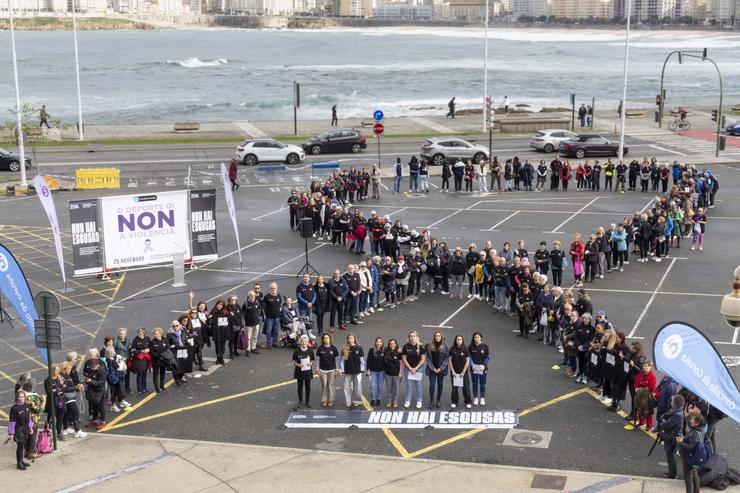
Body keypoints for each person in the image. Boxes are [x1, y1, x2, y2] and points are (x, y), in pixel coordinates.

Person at [677, 413, 707, 493]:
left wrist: (680, 442)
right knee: (694, 475)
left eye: (692, 419)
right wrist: (684, 439)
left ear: (697, 423)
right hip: (695, 458)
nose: (690, 420)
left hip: (689, 458)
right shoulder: (701, 430)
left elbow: (690, 448)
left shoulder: (694, 433)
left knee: (688, 479)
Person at [658, 394, 685, 480]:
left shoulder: (677, 415)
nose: (671, 402)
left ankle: (672, 474)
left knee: (670, 456)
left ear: (676, 404)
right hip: (672, 436)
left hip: (673, 439)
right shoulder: (676, 411)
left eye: (672, 401)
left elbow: (667, 424)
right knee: (669, 455)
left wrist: (662, 422)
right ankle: (671, 472)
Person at [8, 390, 33, 470]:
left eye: (23, 397)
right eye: (20, 397)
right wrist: (11, 433)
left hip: (25, 429)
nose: (21, 398)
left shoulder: (26, 406)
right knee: (20, 446)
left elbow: (28, 418)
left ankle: (21, 460)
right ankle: (19, 463)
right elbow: (12, 421)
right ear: (17, 398)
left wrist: (30, 427)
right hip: (19, 429)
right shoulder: (14, 409)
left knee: (22, 446)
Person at [339, 333, 364, 410]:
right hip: (347, 372)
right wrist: (342, 370)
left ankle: (357, 401)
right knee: (347, 388)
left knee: (358, 387)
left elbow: (362, 360)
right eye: (349, 338)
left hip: (357, 371)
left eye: (352, 338)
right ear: (347, 339)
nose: (350, 340)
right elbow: (342, 361)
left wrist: (362, 369)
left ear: (354, 339)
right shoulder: (345, 348)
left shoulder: (359, 348)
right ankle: (348, 403)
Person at [402, 330, 426, 409]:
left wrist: (415, 368)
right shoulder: (406, 346)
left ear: (417, 337)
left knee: (418, 385)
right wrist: (410, 368)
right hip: (408, 369)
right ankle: (407, 400)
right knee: (409, 385)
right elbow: (404, 359)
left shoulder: (421, 347)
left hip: (418, 369)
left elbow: (423, 359)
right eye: (411, 336)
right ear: (409, 338)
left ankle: (419, 401)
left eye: (414, 336)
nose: (412, 337)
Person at [426, 331, 448, 409]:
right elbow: (427, 358)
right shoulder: (429, 346)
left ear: (441, 337)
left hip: (441, 370)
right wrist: (433, 368)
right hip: (432, 370)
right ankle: (431, 401)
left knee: (440, 385)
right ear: (434, 337)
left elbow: (446, 359)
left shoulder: (445, 346)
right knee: (432, 385)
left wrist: (440, 368)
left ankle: (438, 400)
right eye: (436, 336)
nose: (437, 337)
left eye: (439, 336)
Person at [83, 357, 107, 430]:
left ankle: (103, 422)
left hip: (99, 391)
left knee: (101, 406)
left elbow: (101, 383)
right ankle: (94, 420)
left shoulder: (102, 371)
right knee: (94, 406)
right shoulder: (90, 369)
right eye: (91, 367)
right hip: (92, 390)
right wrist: (86, 381)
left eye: (93, 367)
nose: (92, 368)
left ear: (98, 364)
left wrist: (91, 381)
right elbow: (89, 377)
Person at [316, 333, 339, 407]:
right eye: (324, 338)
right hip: (323, 370)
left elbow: (337, 359)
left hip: (332, 370)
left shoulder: (334, 348)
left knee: (331, 385)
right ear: (323, 340)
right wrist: (317, 369)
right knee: (324, 385)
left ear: (330, 339)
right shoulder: (320, 348)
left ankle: (331, 400)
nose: (326, 339)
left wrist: (337, 369)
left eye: (327, 338)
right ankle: (324, 400)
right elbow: (317, 359)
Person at [292, 335, 315, 408]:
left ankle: (307, 401)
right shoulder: (297, 350)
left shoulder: (310, 350)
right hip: (299, 371)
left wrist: (311, 363)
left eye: (305, 341)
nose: (304, 343)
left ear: (307, 342)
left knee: (308, 387)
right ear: (300, 342)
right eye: (302, 341)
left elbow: (313, 360)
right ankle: (300, 401)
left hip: (308, 371)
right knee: (300, 386)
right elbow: (294, 361)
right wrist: (298, 365)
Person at [468, 332, 490, 406]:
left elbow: (487, 358)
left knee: (482, 384)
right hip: (474, 369)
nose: (476, 339)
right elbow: (469, 357)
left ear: (481, 338)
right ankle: (476, 398)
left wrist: (483, 365)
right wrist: (472, 365)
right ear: (473, 338)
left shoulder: (485, 346)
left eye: (478, 337)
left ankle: (482, 398)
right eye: (475, 337)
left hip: (483, 369)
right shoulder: (471, 346)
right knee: (474, 383)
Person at [366, 337, 385, 407]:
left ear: (382, 343)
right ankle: (373, 399)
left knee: (380, 386)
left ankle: (378, 399)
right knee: (372, 386)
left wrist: (399, 350)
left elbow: (392, 351)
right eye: (377, 342)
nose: (379, 343)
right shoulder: (371, 350)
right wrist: (368, 370)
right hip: (373, 371)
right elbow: (368, 360)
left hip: (381, 372)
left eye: (380, 342)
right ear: (375, 343)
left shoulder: (384, 350)